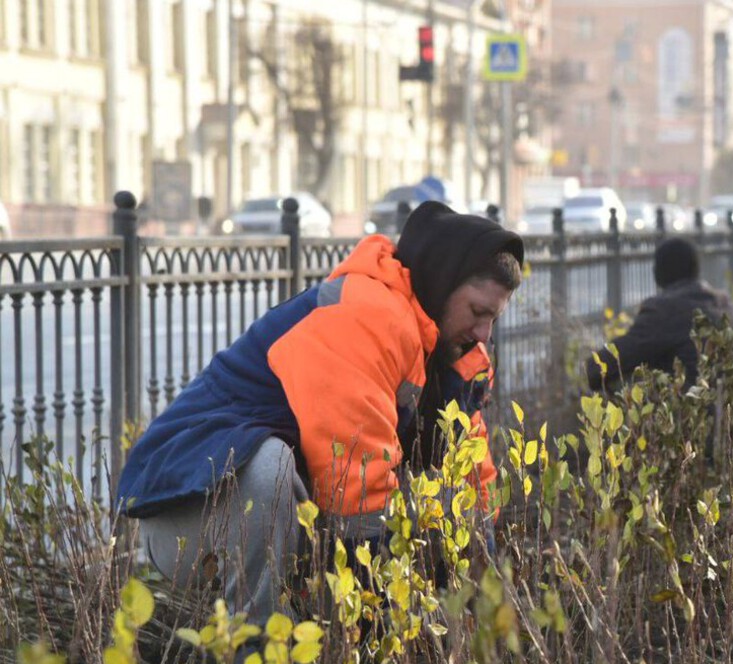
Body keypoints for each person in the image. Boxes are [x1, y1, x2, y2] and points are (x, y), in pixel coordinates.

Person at [117, 201, 524, 624]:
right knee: (269, 467)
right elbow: (357, 490)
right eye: (478, 312)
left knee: (438, 500)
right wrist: (369, 628)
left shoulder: (454, 354)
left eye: (493, 319)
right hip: (189, 514)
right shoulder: (369, 318)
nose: (484, 334)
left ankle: (313, 636)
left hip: (283, 509)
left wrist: (486, 585)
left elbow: (473, 477)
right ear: (442, 283)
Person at [585, 237, 733, 392]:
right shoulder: (722, 302)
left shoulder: (665, 310)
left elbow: (599, 368)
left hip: (697, 416)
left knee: (627, 379)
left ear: (658, 273)